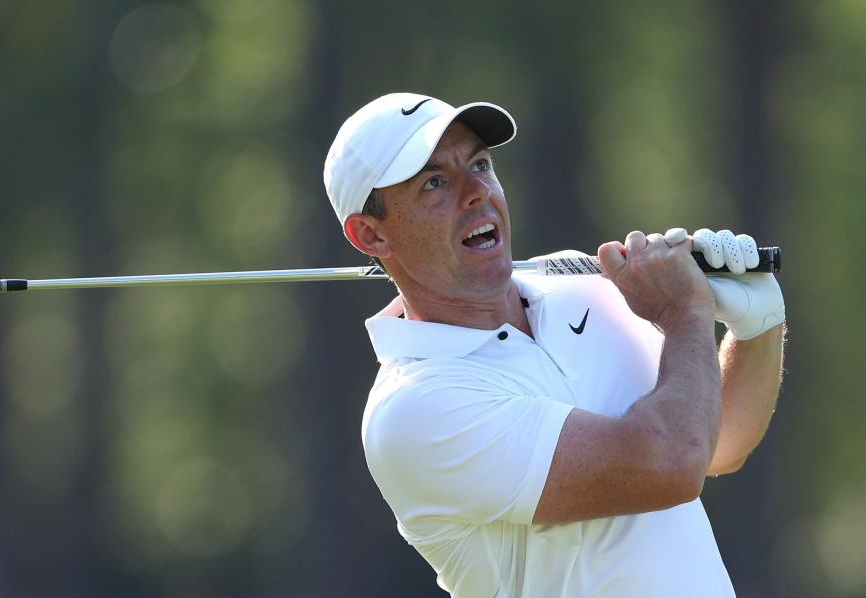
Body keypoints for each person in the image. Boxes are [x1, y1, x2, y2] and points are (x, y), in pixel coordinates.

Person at [323, 92, 786, 597]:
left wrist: (757, 328)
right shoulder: (414, 411)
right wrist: (686, 316)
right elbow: (672, 463)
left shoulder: (579, 288)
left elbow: (715, 445)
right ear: (370, 235)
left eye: (480, 164)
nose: (476, 192)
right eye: (434, 182)